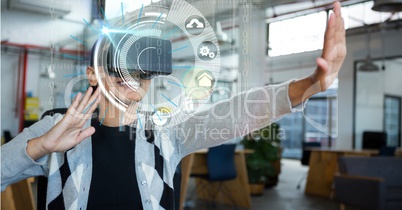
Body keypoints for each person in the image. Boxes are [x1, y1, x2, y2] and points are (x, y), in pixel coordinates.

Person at [1, 1, 346, 210]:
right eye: (121, 66)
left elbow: (236, 114)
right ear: (92, 74)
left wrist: (307, 86)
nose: (134, 75)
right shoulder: (55, 128)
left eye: (143, 69)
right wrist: (37, 148)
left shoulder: (167, 134)